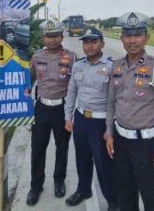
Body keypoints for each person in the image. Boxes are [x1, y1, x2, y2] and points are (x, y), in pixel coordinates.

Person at [104, 12, 154, 211]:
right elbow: (111, 103)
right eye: (128, 35)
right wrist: (109, 132)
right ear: (121, 38)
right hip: (120, 143)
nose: (132, 40)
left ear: (146, 37)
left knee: (152, 199)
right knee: (125, 197)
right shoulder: (117, 66)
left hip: (145, 145)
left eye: (137, 35)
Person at [64, 28, 118, 211]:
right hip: (81, 120)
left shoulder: (112, 67)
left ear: (102, 44)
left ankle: (113, 201)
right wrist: (68, 117)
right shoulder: (78, 65)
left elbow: (115, 99)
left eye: (93, 42)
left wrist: (110, 127)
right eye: (86, 42)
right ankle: (83, 189)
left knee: (104, 164)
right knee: (82, 158)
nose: (89, 46)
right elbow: (72, 92)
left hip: (100, 122)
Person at [27, 19, 76, 206]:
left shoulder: (71, 57)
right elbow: (28, 80)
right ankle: (36, 186)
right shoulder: (37, 56)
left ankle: (59, 181)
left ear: (61, 37)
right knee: (37, 148)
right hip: (41, 109)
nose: (52, 40)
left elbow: (76, 85)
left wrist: (71, 113)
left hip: (62, 110)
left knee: (62, 148)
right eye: (49, 36)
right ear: (43, 37)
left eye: (55, 36)